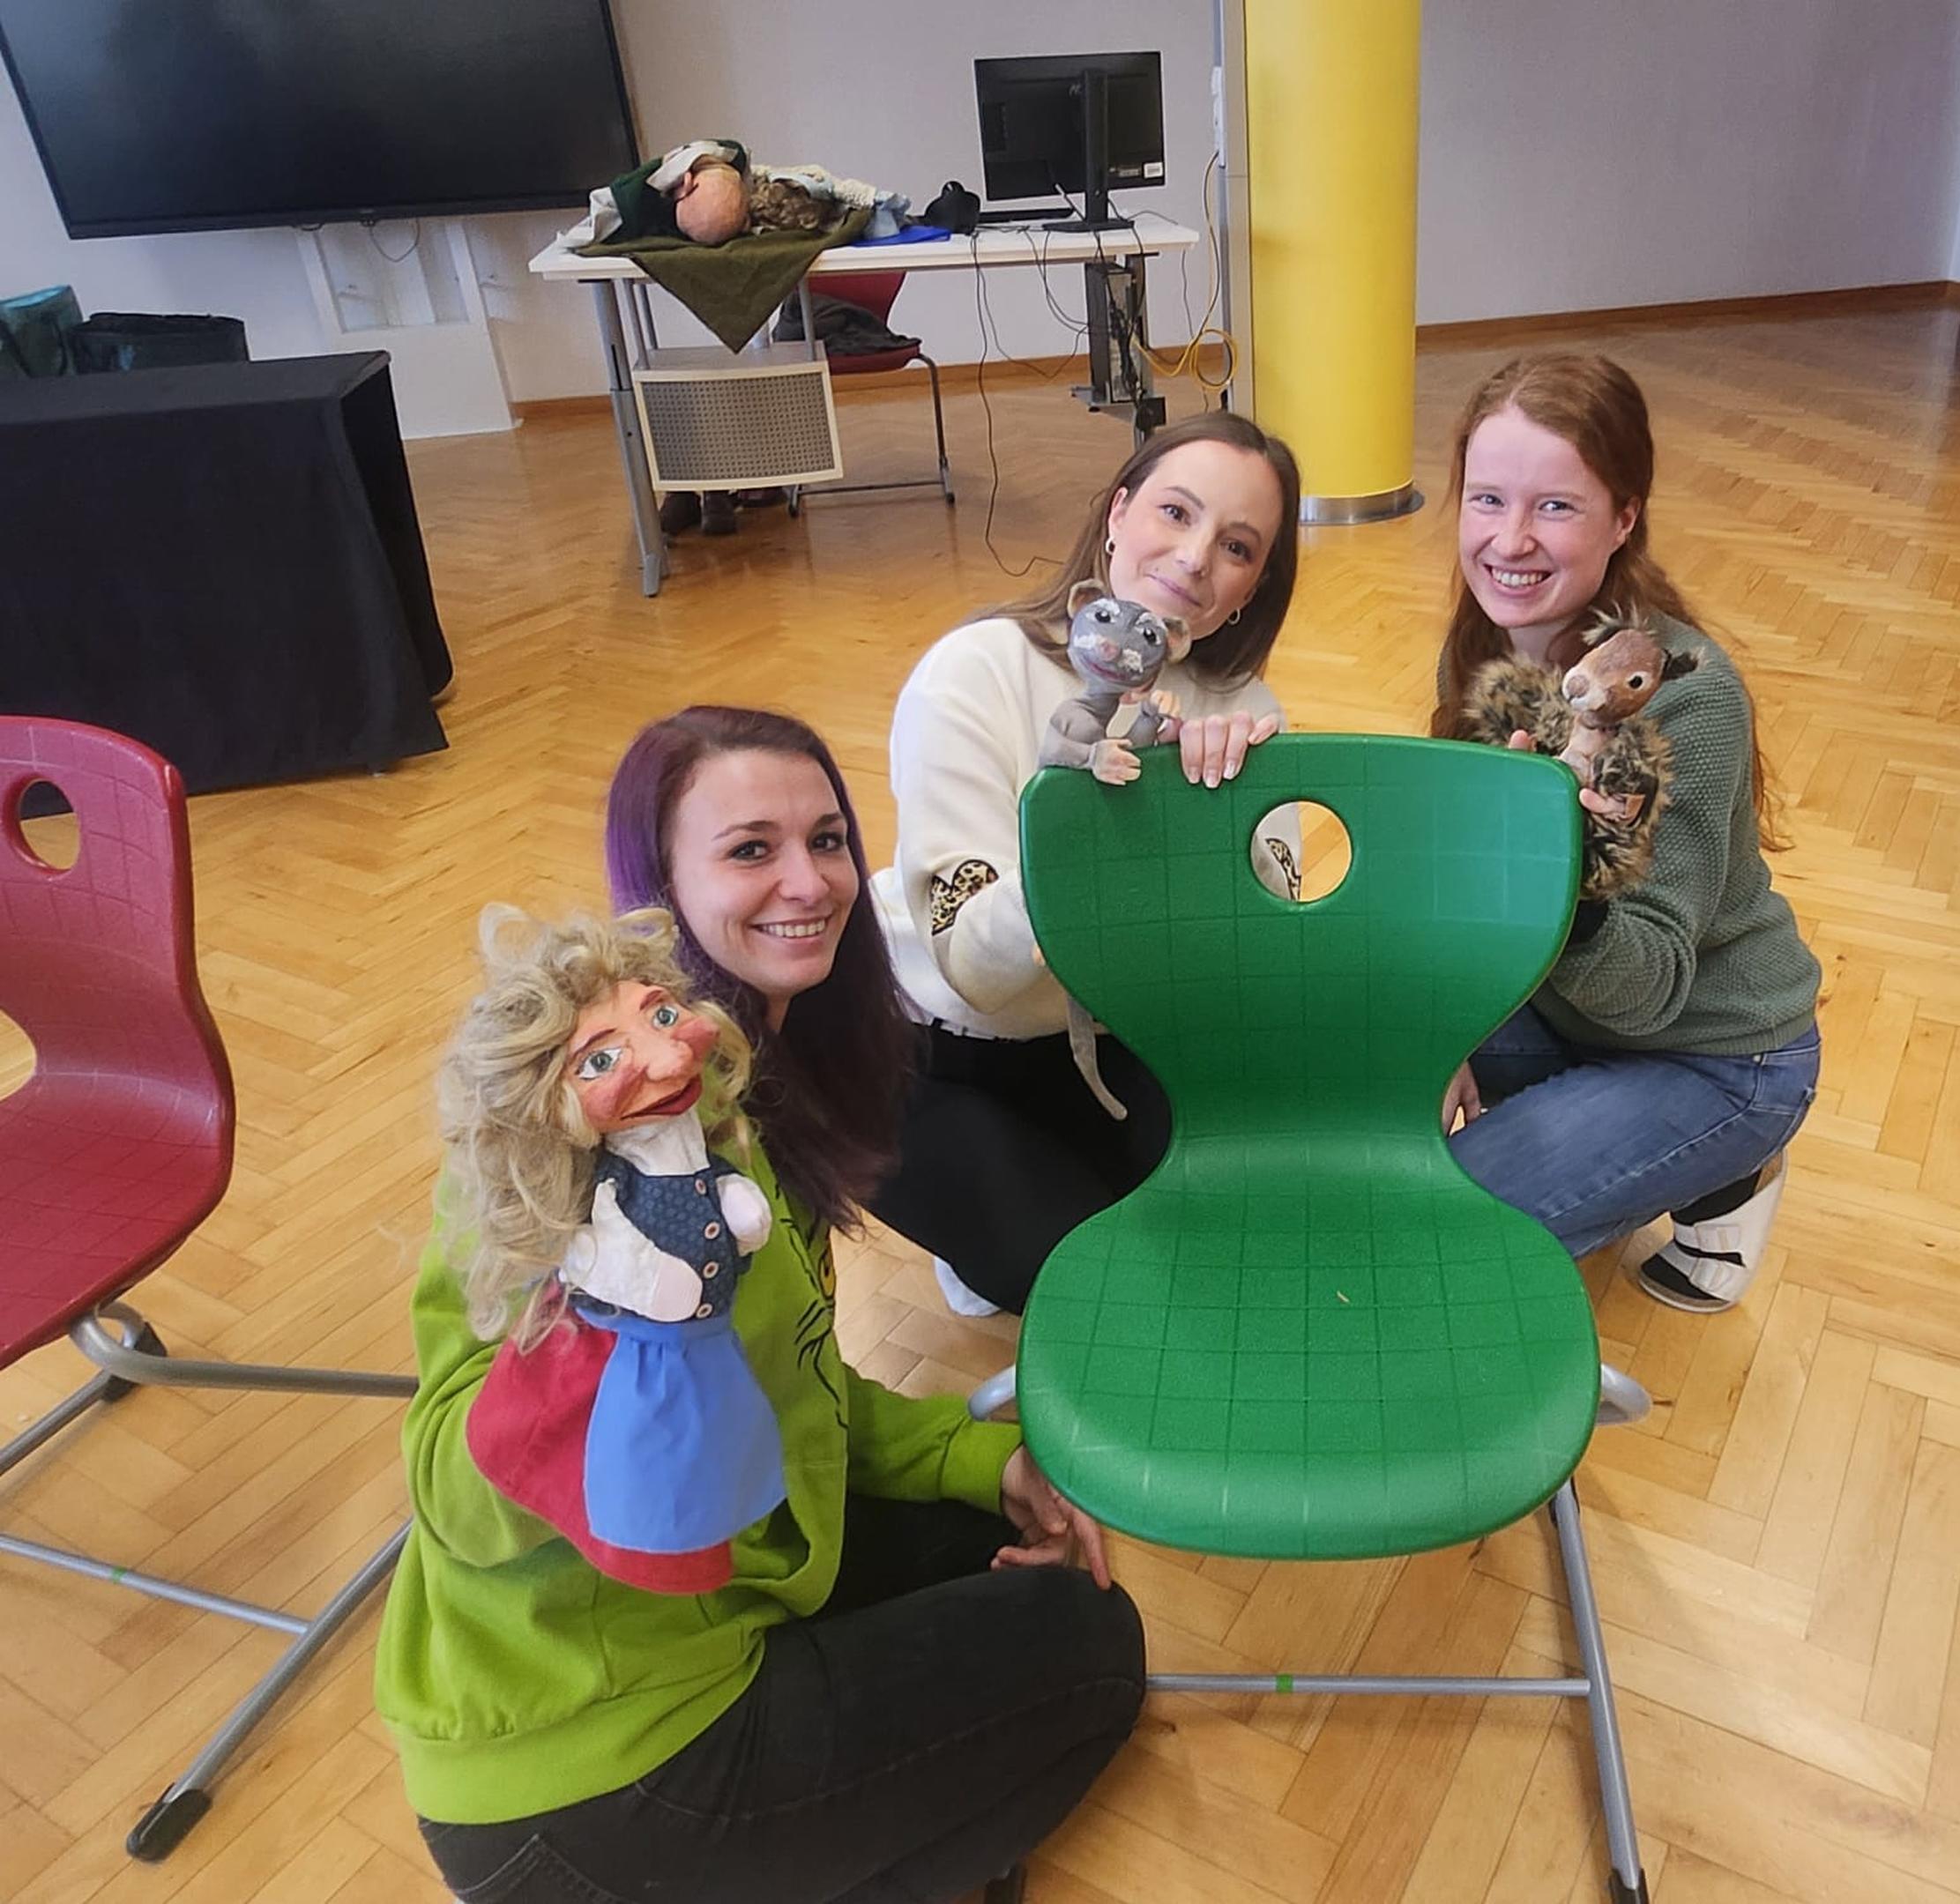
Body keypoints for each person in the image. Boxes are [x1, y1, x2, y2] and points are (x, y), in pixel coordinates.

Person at [376, 706, 1144, 1904]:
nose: (810, 881)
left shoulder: (738, 1100)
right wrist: (612, 1335)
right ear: (660, 887)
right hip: (586, 1762)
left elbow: (800, 1395)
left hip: (733, 1598)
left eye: (827, 839)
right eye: (750, 850)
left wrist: (979, 1459)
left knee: (1006, 1559)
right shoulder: (556, 1146)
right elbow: (449, 1493)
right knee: (1096, 1653)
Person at [866, 412, 1306, 1317]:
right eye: (1175, 512)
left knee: (1241, 1237)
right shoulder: (972, 672)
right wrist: (1089, 836)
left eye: (1237, 547)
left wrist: (1216, 835)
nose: (1195, 559)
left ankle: (1032, 1201)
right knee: (1097, 1292)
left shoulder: (1243, 712)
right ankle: (979, 1225)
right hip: (938, 1046)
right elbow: (977, 975)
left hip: (1112, 1040)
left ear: (1251, 590)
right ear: (1116, 514)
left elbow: (1263, 948)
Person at [1432, 354, 1822, 1313]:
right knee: (1353, 1050)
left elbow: (1648, 993)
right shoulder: (1495, 641)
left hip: (1713, 1049)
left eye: (1556, 507)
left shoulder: (1687, 698)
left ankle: (1728, 1164)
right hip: (1565, 1007)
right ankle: (1616, 1132)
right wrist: (1436, 1033)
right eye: (1488, 499)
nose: (1509, 540)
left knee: (1434, 1235)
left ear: (1624, 518)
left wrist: (1559, 866)